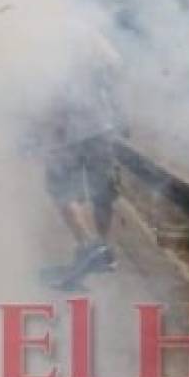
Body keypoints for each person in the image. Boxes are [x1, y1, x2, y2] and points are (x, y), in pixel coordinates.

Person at [35, 29, 124, 287]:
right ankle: (103, 251)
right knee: (103, 191)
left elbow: (46, 90)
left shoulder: (48, 36)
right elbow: (116, 70)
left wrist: (44, 128)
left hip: (68, 131)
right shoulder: (94, 37)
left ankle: (89, 246)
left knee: (60, 188)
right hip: (101, 126)